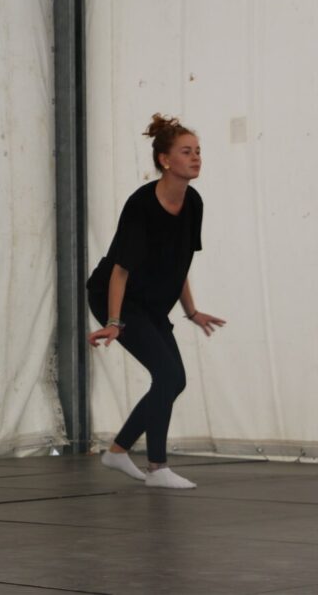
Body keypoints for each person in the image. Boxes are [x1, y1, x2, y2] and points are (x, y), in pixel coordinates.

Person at [87, 113, 224, 490]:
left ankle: (117, 452)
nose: (196, 158)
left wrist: (192, 312)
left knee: (173, 380)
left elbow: (180, 264)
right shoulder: (141, 205)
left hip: (151, 302)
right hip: (116, 297)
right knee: (167, 376)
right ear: (165, 160)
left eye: (198, 151)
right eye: (186, 151)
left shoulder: (193, 203)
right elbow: (120, 271)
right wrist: (114, 322)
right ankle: (157, 467)